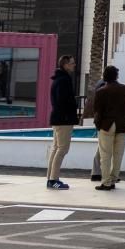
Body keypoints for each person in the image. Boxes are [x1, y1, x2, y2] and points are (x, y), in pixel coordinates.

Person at [92, 65, 125, 191]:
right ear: (116, 76)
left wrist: (98, 125)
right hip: (122, 125)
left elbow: (97, 112)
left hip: (106, 126)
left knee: (105, 155)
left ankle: (106, 182)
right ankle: (113, 179)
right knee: (118, 154)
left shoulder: (101, 91)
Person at [45, 55, 78, 190]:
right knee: (62, 149)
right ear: (65, 65)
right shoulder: (64, 80)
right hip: (63, 119)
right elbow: (62, 101)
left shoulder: (59, 79)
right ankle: (53, 180)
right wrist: (68, 115)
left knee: (56, 148)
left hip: (59, 118)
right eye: (72, 63)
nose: (74, 65)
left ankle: (51, 178)